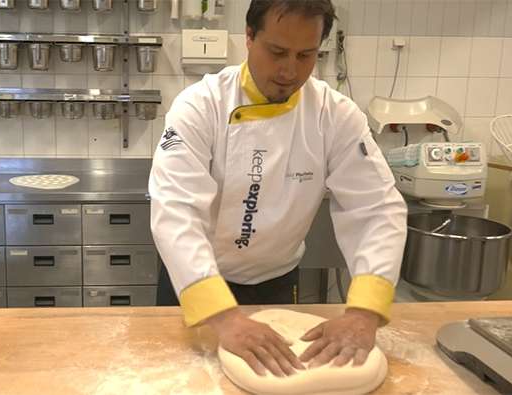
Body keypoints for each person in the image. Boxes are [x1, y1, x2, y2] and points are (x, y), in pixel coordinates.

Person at [148, 0, 407, 377]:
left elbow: (377, 210)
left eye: (306, 55)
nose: (289, 70)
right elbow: (176, 212)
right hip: (196, 283)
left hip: (277, 283)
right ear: (249, 37)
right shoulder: (200, 106)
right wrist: (222, 315)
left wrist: (365, 312)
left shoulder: (334, 115)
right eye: (277, 52)